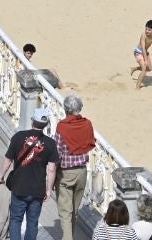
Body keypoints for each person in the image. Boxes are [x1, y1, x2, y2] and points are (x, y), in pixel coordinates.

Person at [0, 113, 59, 240]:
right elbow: (52, 169)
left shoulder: (18, 137)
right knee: (32, 222)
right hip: (37, 190)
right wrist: (48, 189)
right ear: (46, 125)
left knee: (15, 219)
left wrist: (0, 177)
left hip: (19, 187)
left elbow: (7, 160)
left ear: (32, 121)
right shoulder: (51, 143)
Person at [56, 94, 96, 240]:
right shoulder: (87, 124)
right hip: (82, 172)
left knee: (66, 213)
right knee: (74, 210)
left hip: (66, 174)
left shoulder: (62, 127)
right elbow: (90, 143)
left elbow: (58, 152)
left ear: (66, 109)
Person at [130, 20, 152, 89]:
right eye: (146, 29)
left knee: (149, 68)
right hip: (138, 52)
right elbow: (142, 48)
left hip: (145, 52)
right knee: (144, 69)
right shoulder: (143, 35)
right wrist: (145, 60)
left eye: (149, 30)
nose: (147, 31)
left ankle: (135, 68)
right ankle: (137, 87)